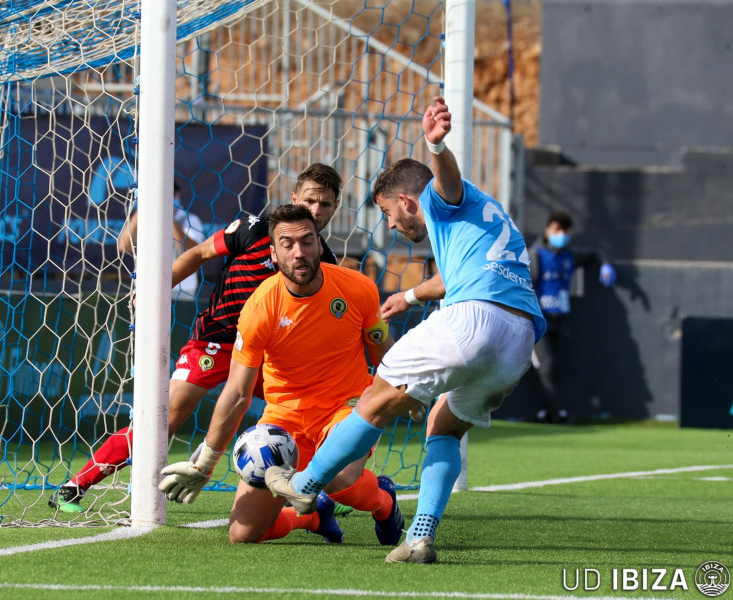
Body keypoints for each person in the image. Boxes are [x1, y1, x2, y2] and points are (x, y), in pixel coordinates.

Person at [264, 96, 546, 564]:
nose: (390, 224)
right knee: (443, 427)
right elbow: (457, 277)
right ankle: (419, 538)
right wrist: (412, 296)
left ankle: (305, 485)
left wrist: (436, 145)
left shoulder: (441, 198)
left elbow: (446, 181)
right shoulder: (488, 216)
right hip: (518, 339)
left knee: (375, 400)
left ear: (408, 200)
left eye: (387, 212)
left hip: (472, 322)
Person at [49, 164, 343, 513]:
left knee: (312, 414)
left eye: (326, 204)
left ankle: (325, 493)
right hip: (215, 341)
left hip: (267, 355)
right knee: (165, 413)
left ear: (335, 208)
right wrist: (155, 289)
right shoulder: (253, 229)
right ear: (295, 197)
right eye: (311, 200)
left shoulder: (324, 260)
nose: (316, 210)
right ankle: (77, 485)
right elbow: (200, 254)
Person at [157, 204, 404, 547]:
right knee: (242, 536)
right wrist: (206, 461)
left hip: (345, 407)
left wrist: (400, 392)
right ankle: (312, 516)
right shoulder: (259, 308)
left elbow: (384, 355)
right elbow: (237, 394)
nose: (298, 252)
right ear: (273, 253)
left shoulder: (357, 288)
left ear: (320, 245)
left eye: (306, 241)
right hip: (284, 420)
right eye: (287, 244)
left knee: (338, 479)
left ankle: (384, 502)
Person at [529, 211, 616, 423]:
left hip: (561, 320)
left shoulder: (569, 256)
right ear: (548, 230)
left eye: (565, 231)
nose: (562, 235)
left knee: (554, 368)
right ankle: (558, 413)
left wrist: (605, 264)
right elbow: (526, 286)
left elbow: (595, 253)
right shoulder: (536, 254)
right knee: (547, 366)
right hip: (539, 322)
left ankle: (545, 412)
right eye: (558, 230)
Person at [116, 181, 206, 298]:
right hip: (146, 289)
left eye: (167, 195)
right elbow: (123, 246)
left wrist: (166, 214)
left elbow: (191, 252)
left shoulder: (190, 220)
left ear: (176, 196)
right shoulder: (144, 217)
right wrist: (142, 207)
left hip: (182, 291)